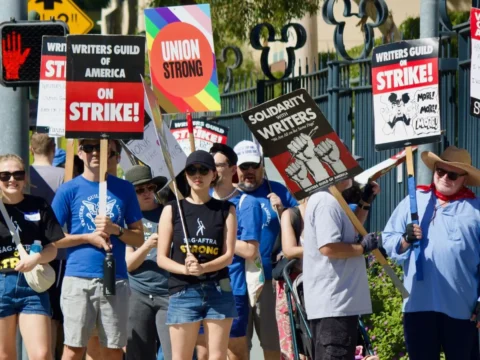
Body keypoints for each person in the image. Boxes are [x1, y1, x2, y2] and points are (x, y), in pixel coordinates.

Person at [383, 146, 480, 360]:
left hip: (462, 308)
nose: (444, 177)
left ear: (464, 178)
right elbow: (388, 240)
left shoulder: (476, 210)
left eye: (452, 174)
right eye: (440, 171)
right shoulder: (414, 200)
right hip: (418, 304)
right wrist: (405, 240)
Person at [51, 139, 144, 360]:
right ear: (80, 153)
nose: (95, 153)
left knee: (113, 349)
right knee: (73, 348)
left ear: (114, 157)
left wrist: (116, 230)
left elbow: (139, 237)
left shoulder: (124, 189)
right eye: (89, 148)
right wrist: (88, 238)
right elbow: (51, 238)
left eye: (103, 150)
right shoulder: (68, 189)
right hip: (78, 278)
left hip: (116, 279)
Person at [157, 150, 237, 360]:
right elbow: (161, 258)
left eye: (203, 169)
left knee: (217, 357)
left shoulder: (226, 209)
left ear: (213, 174)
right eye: (192, 170)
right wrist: (185, 269)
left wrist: (203, 268)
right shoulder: (173, 210)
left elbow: (228, 255)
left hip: (218, 288)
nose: (197, 174)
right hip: (183, 289)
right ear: (185, 175)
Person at [195, 143, 262, 360]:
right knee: (203, 351)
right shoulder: (201, 201)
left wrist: (222, 234)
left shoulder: (246, 203)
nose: (211, 170)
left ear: (233, 169)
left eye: (216, 165)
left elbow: (251, 250)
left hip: (233, 288)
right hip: (201, 287)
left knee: (235, 351)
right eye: (207, 166)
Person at [233, 140, 297, 360]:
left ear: (262, 165)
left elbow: (302, 224)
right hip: (235, 280)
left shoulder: (276, 190)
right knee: (238, 346)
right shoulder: (227, 196)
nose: (249, 171)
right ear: (236, 168)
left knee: (272, 343)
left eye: (254, 165)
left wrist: (284, 211)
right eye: (244, 167)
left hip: (268, 279)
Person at [303, 178, 380, 360]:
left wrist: (365, 201)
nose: (351, 176)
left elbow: (352, 230)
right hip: (334, 304)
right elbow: (329, 247)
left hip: (338, 303)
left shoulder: (333, 200)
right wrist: (362, 248)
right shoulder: (326, 202)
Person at [0, 153, 65, 360]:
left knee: (42, 354)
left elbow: (52, 248)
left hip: (33, 286)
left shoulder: (39, 205)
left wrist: (35, 259)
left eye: (18, 174)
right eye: (5, 175)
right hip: (2, 284)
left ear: (25, 178)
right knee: (5, 355)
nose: (12, 180)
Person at [123, 165, 171, 360]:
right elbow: (129, 264)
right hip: (138, 293)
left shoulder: (169, 213)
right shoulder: (129, 220)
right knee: (138, 354)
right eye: (140, 190)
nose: (147, 193)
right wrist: (148, 245)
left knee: (174, 353)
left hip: (168, 292)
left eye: (150, 188)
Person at [29, 132, 67, 359]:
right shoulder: (65, 175)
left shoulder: (23, 175)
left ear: (32, 150)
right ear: (54, 149)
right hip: (57, 249)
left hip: (26, 250)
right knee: (52, 312)